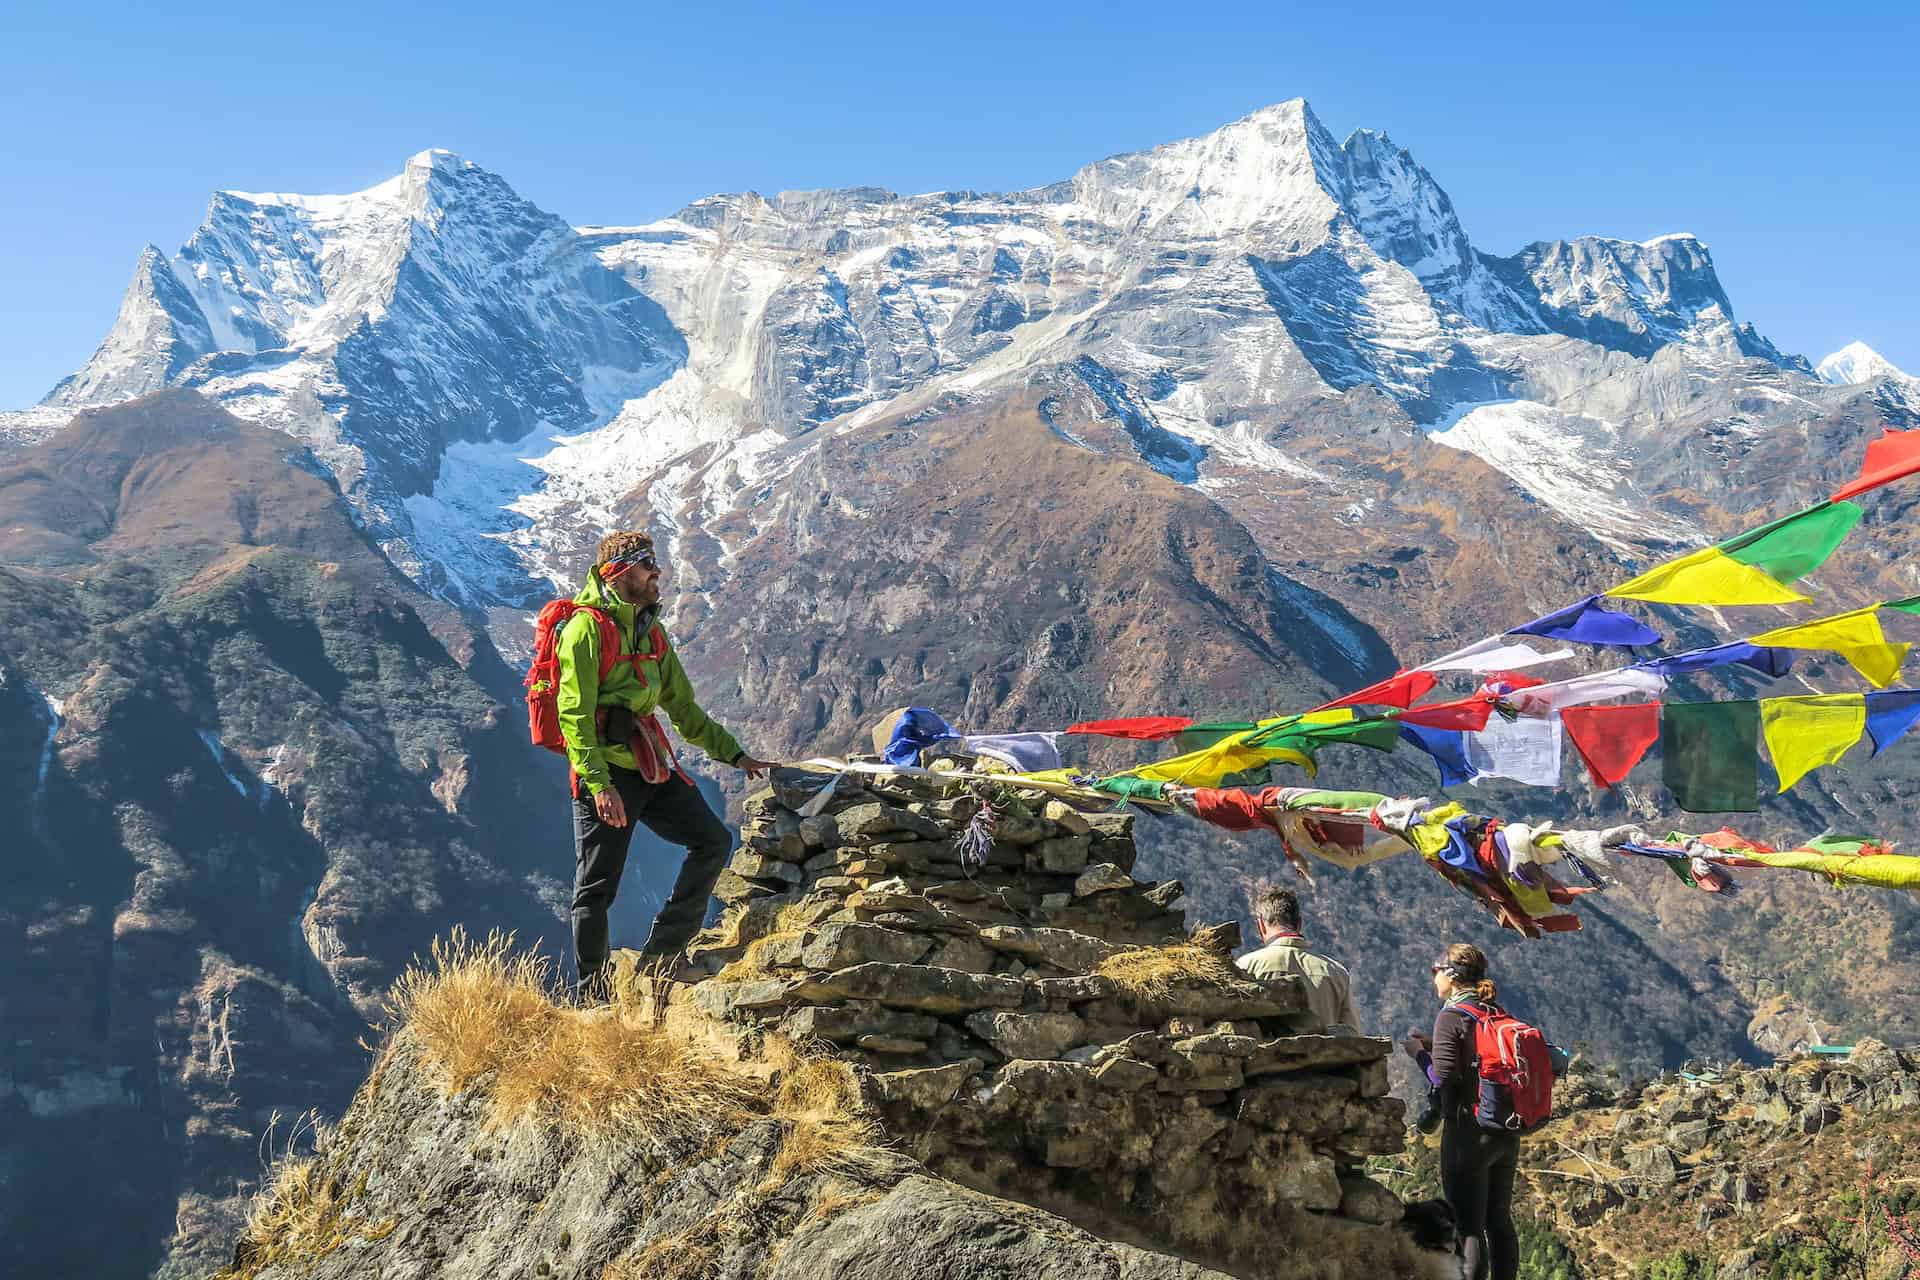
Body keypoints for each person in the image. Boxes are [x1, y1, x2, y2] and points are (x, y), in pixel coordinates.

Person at [556, 530, 775, 999]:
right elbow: (574, 715)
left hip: (649, 765)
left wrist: (734, 754)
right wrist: (598, 785)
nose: (657, 573)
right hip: (608, 773)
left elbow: (684, 708)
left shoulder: (652, 632)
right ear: (619, 573)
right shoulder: (585, 630)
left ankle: (662, 954)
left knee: (713, 841)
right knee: (596, 887)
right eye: (646, 565)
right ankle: (593, 996)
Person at [1402, 943, 1520, 1280]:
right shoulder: (1492, 1011)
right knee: (1499, 1220)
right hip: (1505, 1129)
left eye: (1434, 970)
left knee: (1469, 1226)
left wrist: (1417, 1053)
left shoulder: (1451, 1016)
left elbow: (1442, 1077)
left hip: (1467, 1132)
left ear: (1451, 975)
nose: (1432, 977)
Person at [1234, 879, 1359, 1033]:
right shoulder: (1337, 973)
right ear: (1299, 924)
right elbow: (1353, 1035)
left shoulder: (1245, 967)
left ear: (1261, 925)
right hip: (1324, 1055)